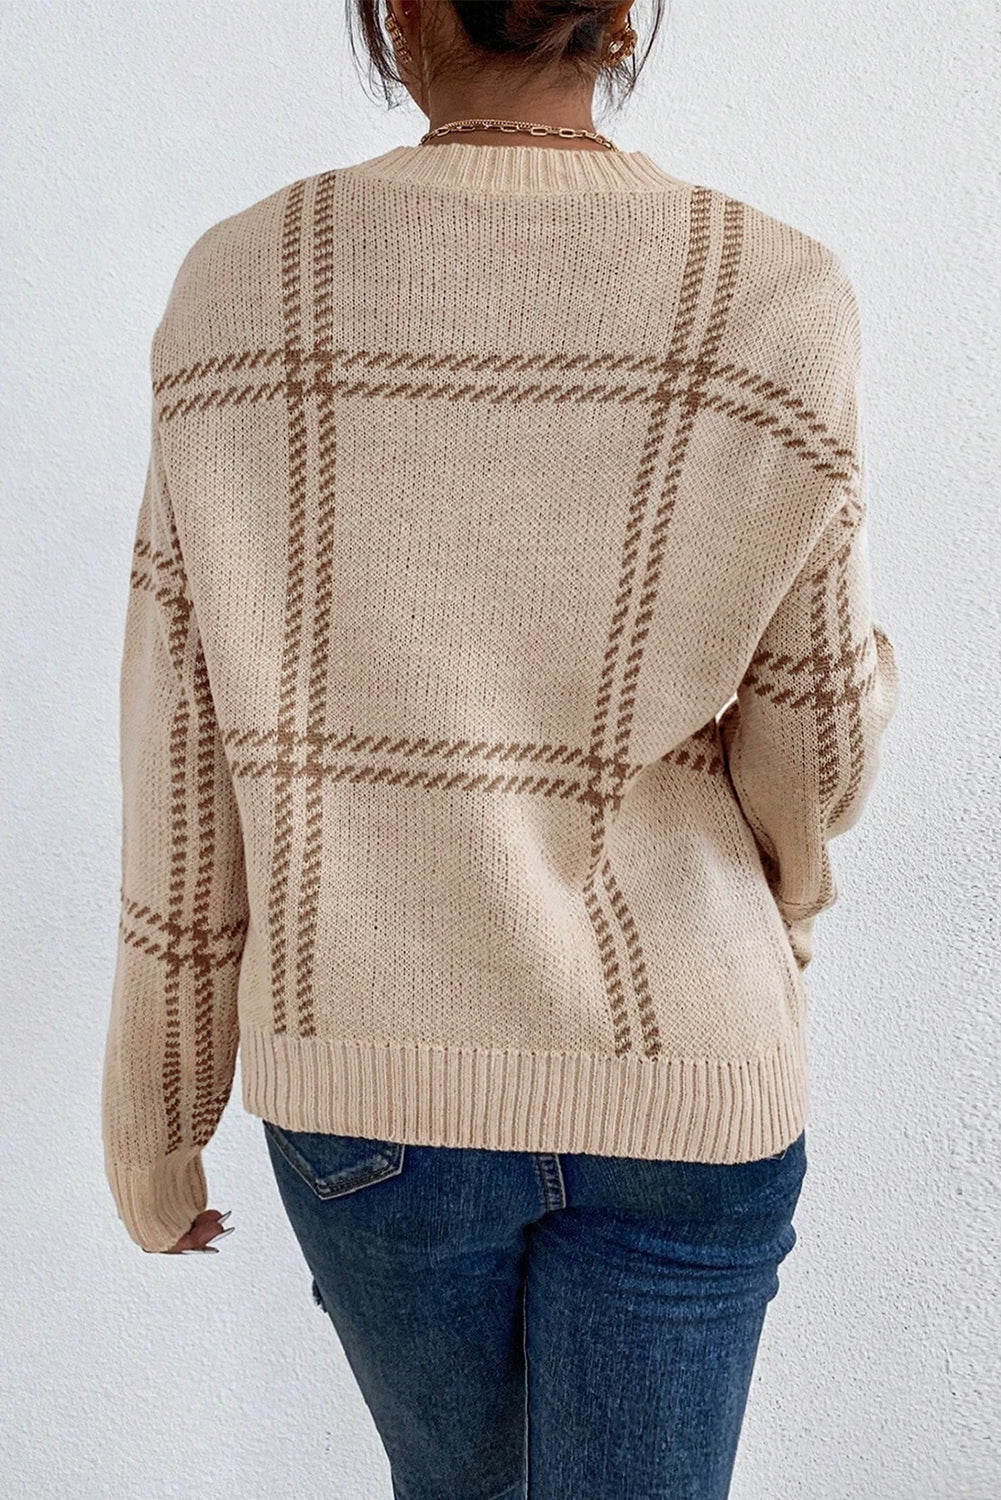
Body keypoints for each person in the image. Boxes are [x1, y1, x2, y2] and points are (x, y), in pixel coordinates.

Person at [101, 2, 900, 1495]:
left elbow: (182, 742)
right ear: (619, 19)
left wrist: (159, 1115)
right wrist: (776, 916)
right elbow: (820, 749)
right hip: (688, 1068)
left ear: (398, 13)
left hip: (366, 1080)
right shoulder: (774, 292)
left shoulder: (239, 284)